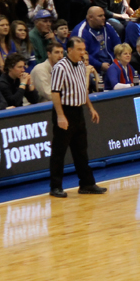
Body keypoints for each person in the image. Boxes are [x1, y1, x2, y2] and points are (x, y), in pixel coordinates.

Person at [49, 37, 107, 198]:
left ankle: (87, 183)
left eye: (84, 49)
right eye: (80, 50)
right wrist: (60, 116)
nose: (83, 53)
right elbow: (55, 93)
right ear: (70, 50)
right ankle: (55, 187)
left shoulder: (82, 65)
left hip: (78, 111)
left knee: (81, 150)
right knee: (59, 152)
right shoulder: (60, 67)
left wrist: (90, 108)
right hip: (65, 111)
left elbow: (82, 89)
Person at [72, 7, 122, 73]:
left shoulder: (107, 26)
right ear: (90, 17)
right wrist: (100, 65)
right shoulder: (81, 31)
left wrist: (116, 61)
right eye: (100, 16)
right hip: (92, 68)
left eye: (104, 15)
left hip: (112, 64)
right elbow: (81, 54)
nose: (104, 18)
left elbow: (118, 45)